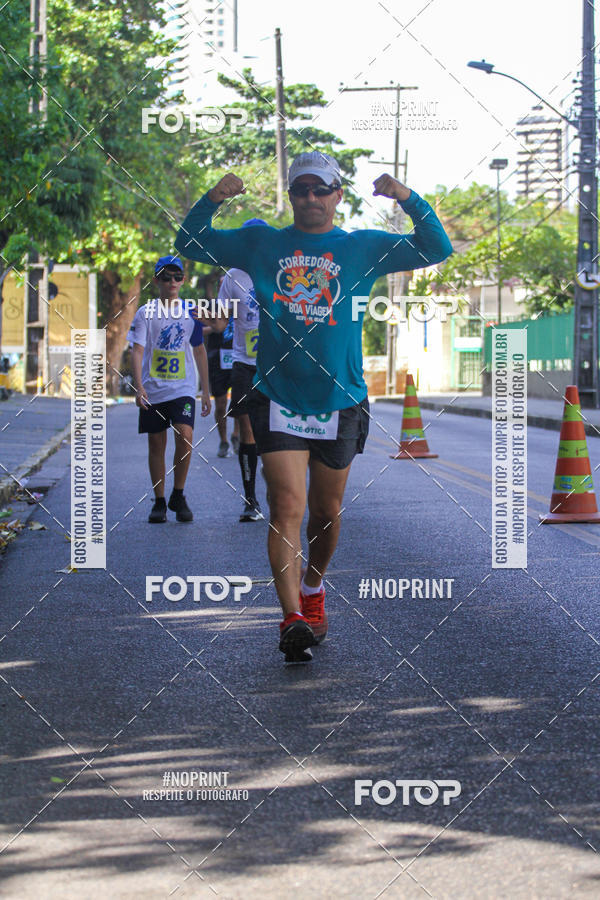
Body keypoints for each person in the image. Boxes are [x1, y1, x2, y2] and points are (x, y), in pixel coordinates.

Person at [175, 151, 453, 662]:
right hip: (276, 393)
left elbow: (437, 246)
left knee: (326, 513)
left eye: (320, 189)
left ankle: (314, 587)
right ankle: (290, 619)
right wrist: (214, 197)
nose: (310, 198)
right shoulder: (263, 244)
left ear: (337, 195)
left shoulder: (362, 247)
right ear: (290, 195)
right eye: (300, 189)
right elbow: (189, 242)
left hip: (340, 397)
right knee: (287, 507)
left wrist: (407, 197)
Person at [128, 255, 211, 523]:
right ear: (156, 281)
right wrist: (138, 386)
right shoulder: (145, 313)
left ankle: (179, 492)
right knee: (156, 443)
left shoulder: (191, 311)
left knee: (185, 434)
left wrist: (206, 390)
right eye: (166, 276)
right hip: (154, 388)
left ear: (183, 280)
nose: (172, 281)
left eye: (177, 276)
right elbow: (138, 350)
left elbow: (199, 350)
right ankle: (160, 500)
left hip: (183, 387)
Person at [205, 218, 266, 522]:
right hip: (244, 363)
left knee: (277, 431)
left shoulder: (279, 269)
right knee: (246, 429)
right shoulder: (232, 277)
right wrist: (192, 320)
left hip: (277, 364)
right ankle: (251, 499)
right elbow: (219, 322)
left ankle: (279, 484)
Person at [206, 300, 240, 458]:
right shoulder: (211, 308)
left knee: (240, 402)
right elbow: (198, 330)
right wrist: (215, 327)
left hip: (239, 359)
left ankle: (237, 434)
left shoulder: (242, 305)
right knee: (220, 405)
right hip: (217, 362)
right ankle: (224, 441)